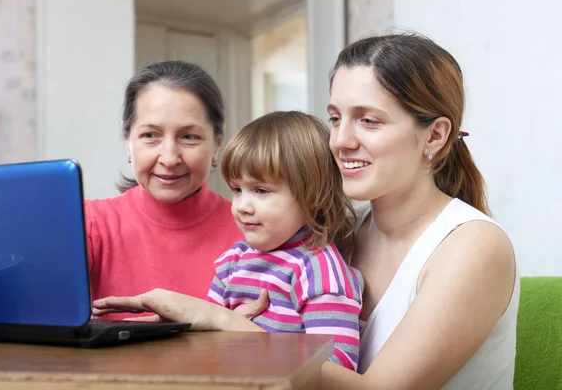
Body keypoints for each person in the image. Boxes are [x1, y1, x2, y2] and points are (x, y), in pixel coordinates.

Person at [92, 33, 518, 389]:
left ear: (436, 135)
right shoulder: (341, 238)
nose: (341, 141)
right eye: (335, 119)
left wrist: (222, 324)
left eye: (368, 121)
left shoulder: (473, 247)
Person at [206, 111, 364, 371]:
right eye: (237, 189)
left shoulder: (318, 271)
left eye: (261, 190)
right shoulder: (232, 260)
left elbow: (338, 364)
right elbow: (202, 339)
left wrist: (247, 337)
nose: (242, 206)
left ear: (311, 198)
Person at [85, 60, 242, 319]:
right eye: (150, 135)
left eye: (189, 137)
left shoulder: (254, 231)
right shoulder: (88, 223)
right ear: (127, 142)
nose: (169, 158)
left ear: (216, 144)